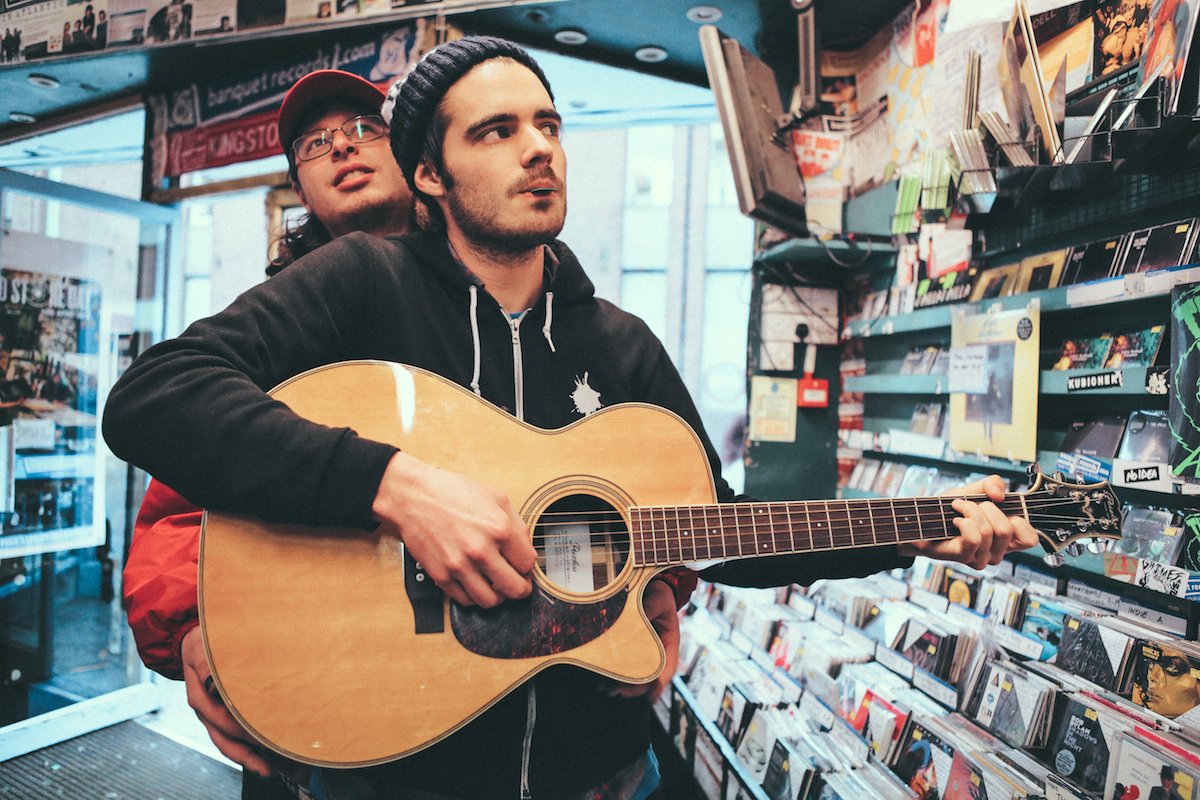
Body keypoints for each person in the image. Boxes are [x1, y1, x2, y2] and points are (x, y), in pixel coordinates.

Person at [104, 36, 1039, 800]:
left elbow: (722, 530)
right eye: (497, 131)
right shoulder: (360, 284)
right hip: (388, 771)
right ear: (429, 173)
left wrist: (910, 533)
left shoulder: (622, 344)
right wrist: (396, 488)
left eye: (547, 124)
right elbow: (155, 396)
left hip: (600, 777)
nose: (538, 148)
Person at [121, 68, 414, 800]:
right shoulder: (271, 327)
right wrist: (192, 623)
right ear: (300, 190)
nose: (341, 147)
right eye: (315, 143)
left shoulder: (492, 294)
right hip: (306, 700)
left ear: (417, 154)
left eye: (365, 129)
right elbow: (175, 507)